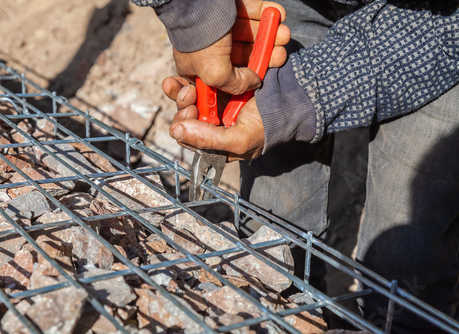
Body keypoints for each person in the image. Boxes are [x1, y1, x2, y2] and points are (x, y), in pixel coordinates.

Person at [131, 0, 459, 333]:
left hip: (439, 28)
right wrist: (194, 17)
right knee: (274, 232)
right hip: (293, 5)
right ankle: (293, 319)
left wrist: (296, 98)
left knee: (404, 256)